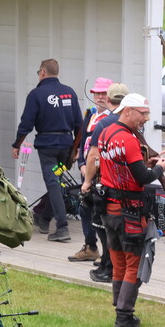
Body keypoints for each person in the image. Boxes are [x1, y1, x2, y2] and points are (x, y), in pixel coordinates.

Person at [90, 93, 160, 327]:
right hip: (129, 212)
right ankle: (124, 320)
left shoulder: (106, 132)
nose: (145, 119)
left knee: (119, 262)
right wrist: (160, 166)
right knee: (134, 264)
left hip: (109, 210)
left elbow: (115, 165)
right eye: (143, 114)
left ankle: (121, 313)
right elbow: (144, 178)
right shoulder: (129, 140)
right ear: (127, 110)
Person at [12, 59, 84, 243]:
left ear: (43, 72)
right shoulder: (69, 92)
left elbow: (26, 123)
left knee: (53, 183)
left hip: (48, 149)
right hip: (65, 149)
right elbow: (80, 124)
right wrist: (77, 148)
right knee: (56, 181)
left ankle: (62, 227)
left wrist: (17, 144)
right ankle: (43, 219)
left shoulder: (37, 94)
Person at [81, 83, 128, 283]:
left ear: (108, 99)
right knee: (118, 230)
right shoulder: (131, 123)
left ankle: (109, 268)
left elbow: (93, 156)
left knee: (102, 226)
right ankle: (114, 267)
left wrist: (87, 181)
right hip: (127, 185)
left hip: (105, 184)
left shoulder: (104, 124)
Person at [68, 78, 113, 264]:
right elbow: (82, 143)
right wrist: (81, 164)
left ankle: (107, 252)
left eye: (104, 93)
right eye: (97, 93)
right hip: (87, 169)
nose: (100, 97)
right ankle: (90, 246)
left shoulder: (112, 118)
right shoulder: (90, 114)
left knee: (101, 211)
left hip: (102, 172)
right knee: (85, 208)